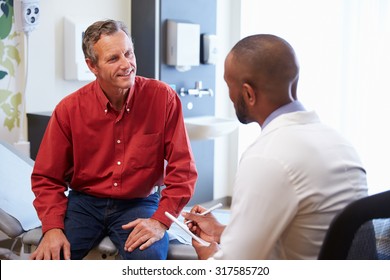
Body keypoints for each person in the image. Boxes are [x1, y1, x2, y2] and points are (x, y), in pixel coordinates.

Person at [183, 34, 368, 260]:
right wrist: (224, 232)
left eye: (228, 85)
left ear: (248, 94)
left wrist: (207, 254)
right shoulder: (339, 143)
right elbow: (306, 228)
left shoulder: (266, 157)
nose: (229, 96)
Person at [30, 19, 197, 260]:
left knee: (149, 260)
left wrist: (160, 221)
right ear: (92, 66)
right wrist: (52, 228)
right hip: (84, 204)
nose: (127, 64)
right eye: (113, 58)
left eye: (129, 53)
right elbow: (46, 177)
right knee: (51, 261)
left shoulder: (163, 98)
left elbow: (184, 169)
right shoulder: (69, 110)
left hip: (139, 202)